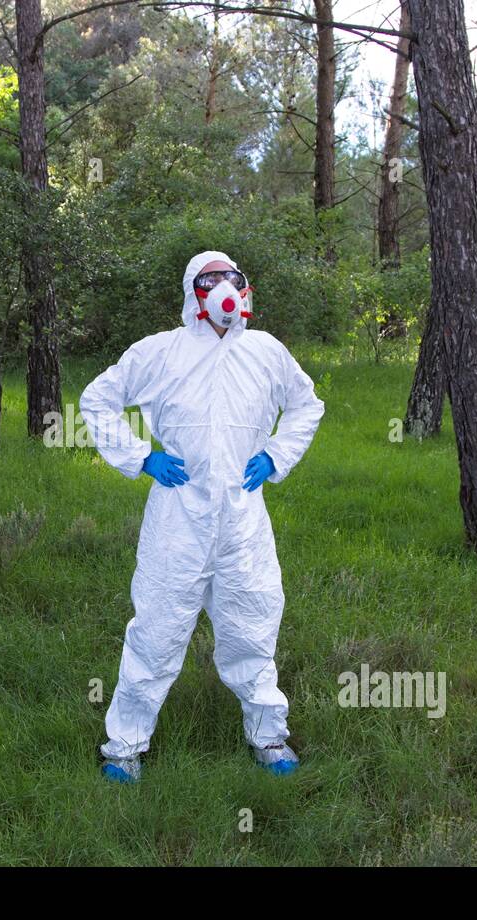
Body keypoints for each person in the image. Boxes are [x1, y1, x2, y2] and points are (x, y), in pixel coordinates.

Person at [80, 251, 325, 783]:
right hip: (177, 517)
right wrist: (142, 456)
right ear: (194, 291)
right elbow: (97, 399)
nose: (224, 289)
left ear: (245, 289)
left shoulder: (266, 352)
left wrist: (277, 456)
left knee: (253, 624)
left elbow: (307, 405)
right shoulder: (160, 353)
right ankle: (124, 747)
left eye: (232, 278)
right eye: (211, 279)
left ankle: (268, 736)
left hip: (243, 518)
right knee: (157, 630)